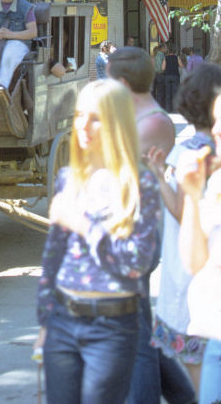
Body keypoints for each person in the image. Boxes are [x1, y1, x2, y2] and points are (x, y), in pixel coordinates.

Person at [34, 79, 162, 404]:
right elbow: (53, 256)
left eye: (95, 117)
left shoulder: (139, 182)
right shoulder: (70, 178)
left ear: (117, 121)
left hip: (112, 323)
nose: (83, 126)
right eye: (79, 115)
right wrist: (46, 320)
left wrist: (82, 224)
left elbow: (138, 261)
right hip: (63, 319)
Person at [107, 46, 186, 404]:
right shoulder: (133, 121)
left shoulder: (153, 122)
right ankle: (185, 396)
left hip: (138, 235)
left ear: (123, 83)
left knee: (135, 338)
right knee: (138, 328)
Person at [151, 64, 221, 401]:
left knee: (197, 374)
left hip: (191, 275)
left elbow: (180, 210)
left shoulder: (189, 151)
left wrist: (160, 178)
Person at [175, 90, 221, 404]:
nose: (216, 130)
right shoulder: (214, 182)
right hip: (211, 335)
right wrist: (191, 196)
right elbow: (194, 262)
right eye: (216, 120)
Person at [160, 44, 183, 112]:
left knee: (167, 93)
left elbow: (163, 68)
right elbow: (182, 66)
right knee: (175, 93)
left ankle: (168, 109)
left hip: (167, 76)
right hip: (175, 76)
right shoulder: (177, 57)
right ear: (175, 51)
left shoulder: (166, 58)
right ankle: (175, 109)